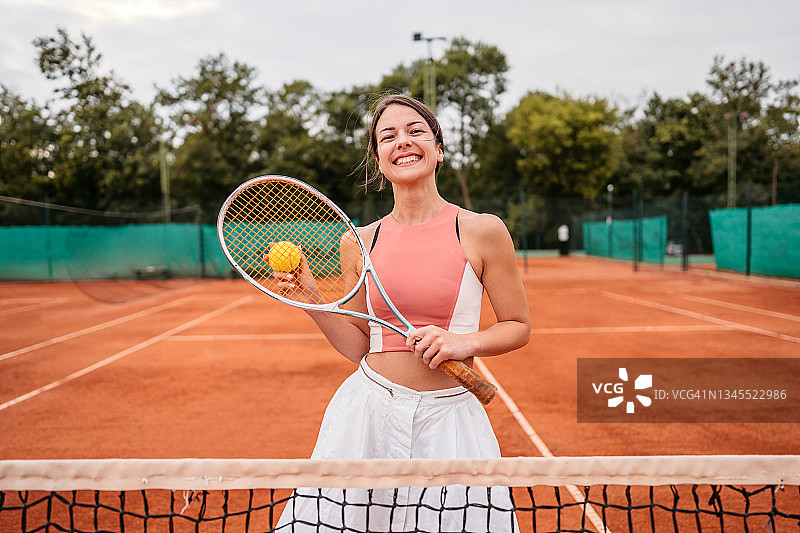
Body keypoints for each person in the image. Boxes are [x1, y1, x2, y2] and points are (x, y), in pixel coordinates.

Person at [275, 93, 531, 532]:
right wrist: (313, 300)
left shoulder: (482, 230)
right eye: (388, 136)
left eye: (415, 131)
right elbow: (359, 345)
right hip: (366, 414)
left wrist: (462, 342)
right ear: (379, 159)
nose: (403, 142)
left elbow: (518, 326)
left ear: (439, 148)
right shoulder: (359, 241)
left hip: (450, 419)